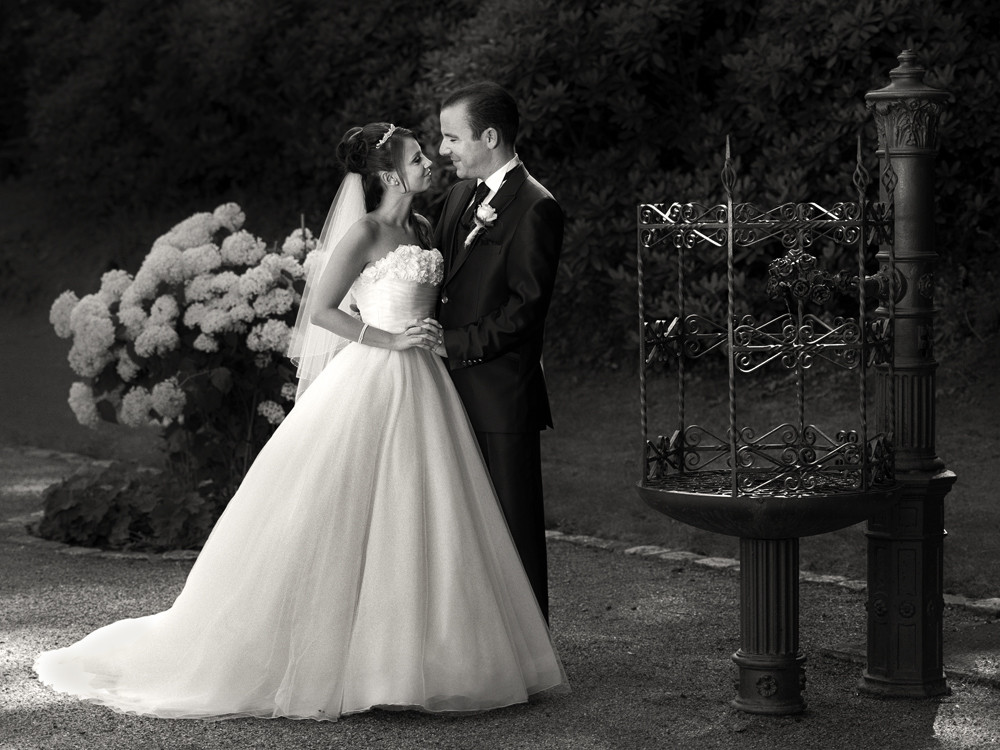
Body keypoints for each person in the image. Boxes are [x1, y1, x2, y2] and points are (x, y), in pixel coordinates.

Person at [33, 122, 567, 721]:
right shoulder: (365, 232)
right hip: (374, 374)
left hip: (427, 382)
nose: (430, 163)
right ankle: (337, 658)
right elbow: (320, 312)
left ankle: (418, 657)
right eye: (418, 157)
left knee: (424, 513)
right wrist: (387, 338)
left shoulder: (422, 226)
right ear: (389, 173)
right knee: (342, 508)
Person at [434, 82, 563, 622]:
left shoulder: (536, 207)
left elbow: (525, 310)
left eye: (450, 138)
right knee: (459, 523)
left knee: (514, 527)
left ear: (489, 137)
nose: (443, 150)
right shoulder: (461, 197)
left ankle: (530, 652)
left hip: (500, 395)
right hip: (444, 388)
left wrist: (454, 343)